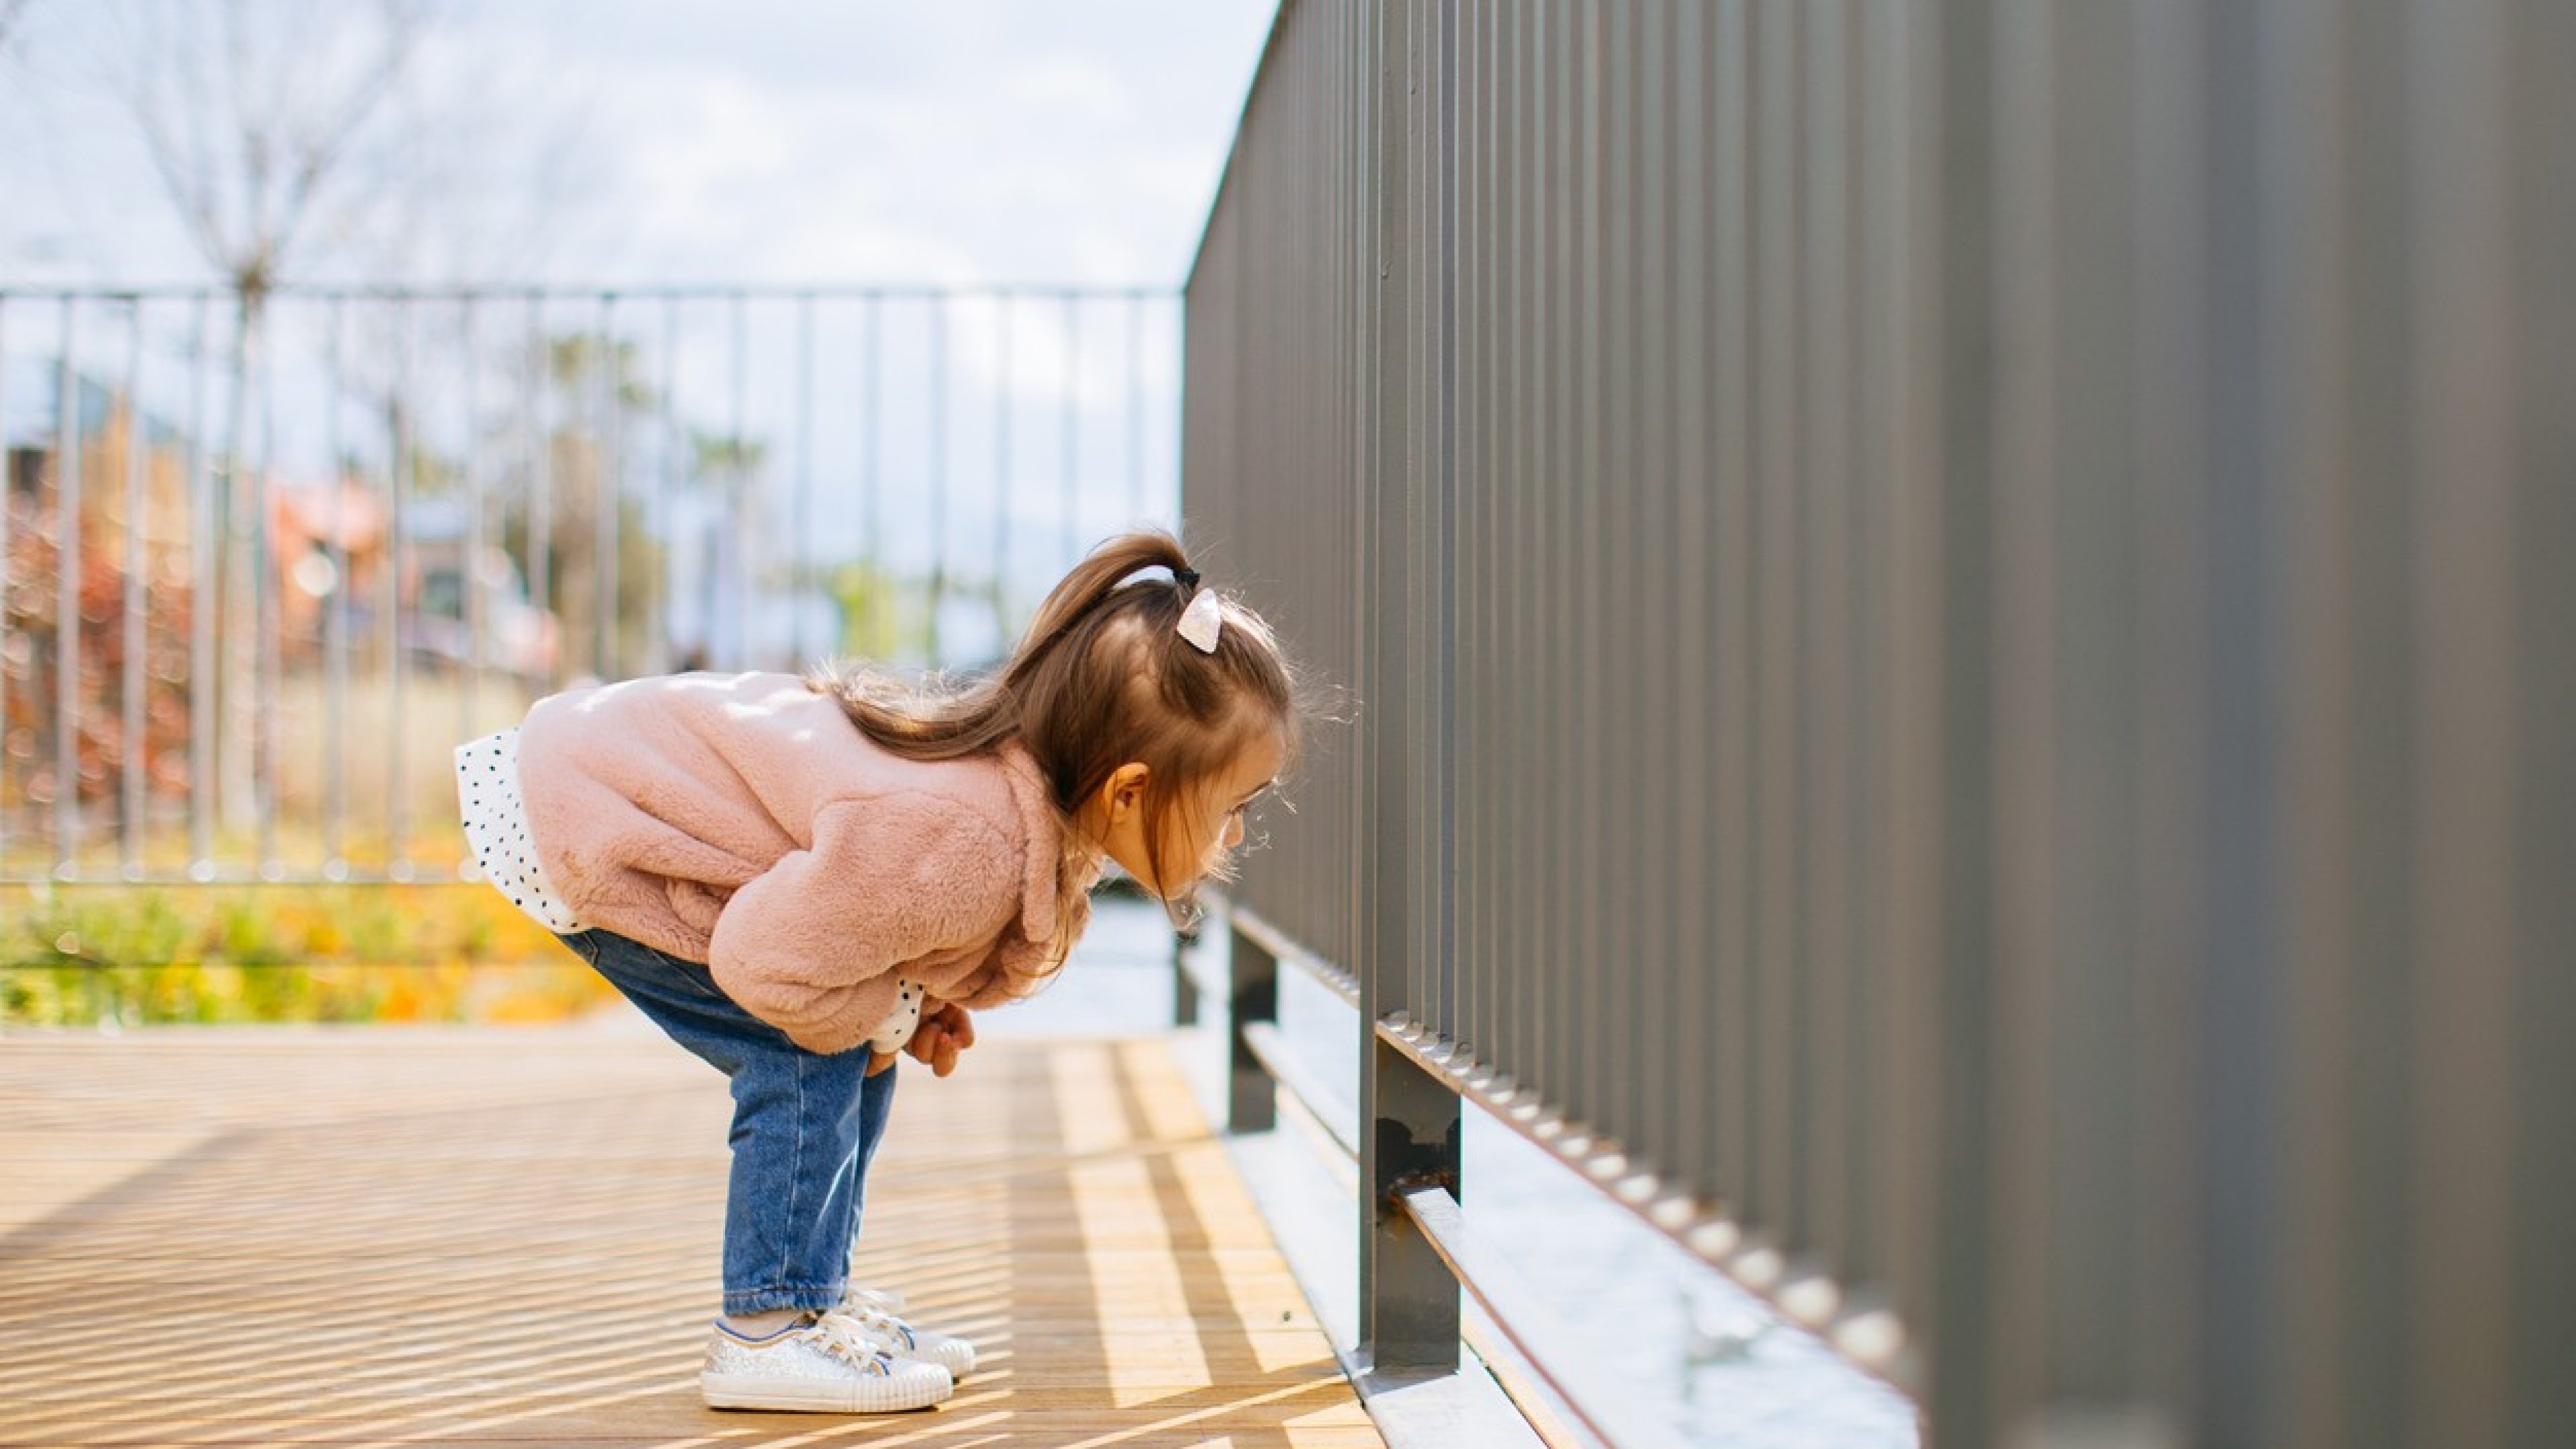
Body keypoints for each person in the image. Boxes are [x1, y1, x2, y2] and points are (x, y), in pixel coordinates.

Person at [453, 530, 1299, 1414]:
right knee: (803, 1048)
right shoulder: (968, 839)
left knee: (848, 1040)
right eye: (1231, 808)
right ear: (1128, 791)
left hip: (600, 787)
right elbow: (767, 962)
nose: (1235, 835)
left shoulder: (1008, 816)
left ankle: (816, 1302)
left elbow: (858, 926)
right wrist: (886, 1012)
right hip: (589, 816)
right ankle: (766, 1330)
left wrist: (900, 1004)